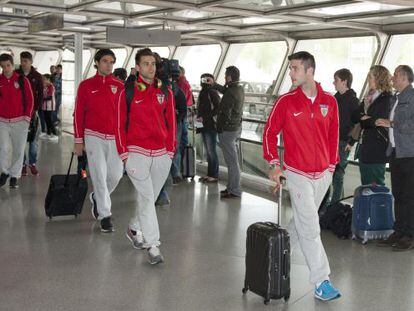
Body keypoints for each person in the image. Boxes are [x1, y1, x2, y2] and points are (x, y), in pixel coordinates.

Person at [263, 51, 341, 301]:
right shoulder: (286, 102)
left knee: (301, 221)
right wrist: (274, 164)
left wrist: (331, 165)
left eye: (295, 68)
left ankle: (275, 257)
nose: (291, 73)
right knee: (310, 226)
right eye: (290, 69)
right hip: (297, 174)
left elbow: (334, 135)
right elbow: (269, 134)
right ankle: (322, 280)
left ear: (310, 71)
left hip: (323, 175)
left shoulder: (329, 101)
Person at [115, 48, 176, 265]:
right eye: (146, 64)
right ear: (138, 67)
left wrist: (170, 151)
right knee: (149, 198)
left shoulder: (165, 91)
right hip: (136, 153)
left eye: (153, 63)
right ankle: (153, 245)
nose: (151, 67)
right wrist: (124, 154)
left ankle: (134, 227)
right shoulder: (128, 91)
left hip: (161, 154)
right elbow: (119, 124)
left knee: (148, 197)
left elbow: (172, 123)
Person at [73, 49, 124, 232]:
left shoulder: (120, 86)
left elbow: (124, 116)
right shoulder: (86, 85)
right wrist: (78, 140)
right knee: (99, 176)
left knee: (116, 174)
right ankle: (105, 215)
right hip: (93, 136)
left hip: (114, 138)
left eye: (111, 62)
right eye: (105, 61)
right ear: (96, 62)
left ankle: (97, 198)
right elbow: (78, 114)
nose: (108, 65)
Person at [376, 65, 414, 251]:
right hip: (396, 153)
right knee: (398, 195)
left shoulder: (412, 97)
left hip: (409, 154)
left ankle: (410, 235)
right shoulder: (396, 99)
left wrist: (391, 123)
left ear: (405, 78)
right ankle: (399, 231)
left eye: (396, 75)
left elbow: (411, 125)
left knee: (409, 196)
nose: (392, 78)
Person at [207, 66, 244, 198]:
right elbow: (226, 91)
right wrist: (215, 85)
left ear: (229, 77)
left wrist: (219, 127)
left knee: (232, 162)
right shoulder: (238, 89)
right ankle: (232, 188)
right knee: (233, 161)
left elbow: (225, 113)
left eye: (225, 76)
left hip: (228, 131)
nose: (224, 78)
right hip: (236, 128)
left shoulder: (232, 92)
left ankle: (234, 190)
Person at [0, 53, 34, 188]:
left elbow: (30, 99)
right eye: (3, 66)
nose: (6, 69)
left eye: (8, 65)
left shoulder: (22, 80)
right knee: (3, 148)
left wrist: (27, 118)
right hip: (2, 121)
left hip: (20, 121)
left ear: (13, 65)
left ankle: (14, 175)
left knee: (19, 150)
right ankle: (4, 172)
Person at [354, 65, 392, 186]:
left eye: (370, 77)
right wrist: (366, 116)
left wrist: (366, 119)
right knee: (366, 187)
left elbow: (373, 123)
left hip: (376, 152)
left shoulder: (387, 99)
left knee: (376, 189)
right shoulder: (369, 96)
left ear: (378, 78)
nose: (368, 80)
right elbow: (354, 116)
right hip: (364, 151)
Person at [328, 69, 360, 204]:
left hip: (343, 142)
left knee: (338, 174)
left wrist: (351, 141)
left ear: (344, 81)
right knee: (331, 173)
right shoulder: (336, 98)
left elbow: (358, 123)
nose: (334, 83)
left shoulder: (352, 101)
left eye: (336, 80)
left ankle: (335, 204)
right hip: (332, 141)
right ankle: (332, 201)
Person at [17, 51, 44, 177]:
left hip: (33, 113)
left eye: (25, 61)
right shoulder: (16, 74)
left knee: (33, 140)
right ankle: (22, 164)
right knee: (20, 140)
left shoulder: (37, 76)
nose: (23, 63)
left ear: (31, 62)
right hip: (18, 113)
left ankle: (32, 163)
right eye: (22, 61)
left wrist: (36, 109)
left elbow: (40, 95)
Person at [196, 73, 220, 183]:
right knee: (208, 150)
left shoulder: (212, 92)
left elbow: (218, 108)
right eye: (203, 79)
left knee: (211, 150)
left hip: (210, 125)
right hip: (204, 125)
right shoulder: (203, 92)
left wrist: (204, 117)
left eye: (207, 79)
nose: (204, 81)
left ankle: (214, 175)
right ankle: (210, 174)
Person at [41, 74, 58, 142]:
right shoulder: (45, 86)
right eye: (43, 79)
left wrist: (41, 99)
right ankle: (48, 133)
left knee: (50, 120)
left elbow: (49, 97)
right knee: (46, 120)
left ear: (48, 79)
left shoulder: (51, 86)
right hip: (44, 106)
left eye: (44, 79)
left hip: (49, 106)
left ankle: (55, 134)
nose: (43, 80)